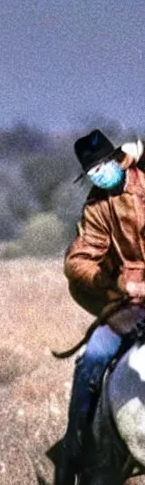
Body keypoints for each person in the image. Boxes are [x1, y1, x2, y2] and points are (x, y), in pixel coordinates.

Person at [55, 129, 145, 484]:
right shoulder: (98, 206)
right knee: (92, 358)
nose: (98, 174)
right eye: (91, 171)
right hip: (129, 304)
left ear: (118, 160)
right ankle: (72, 457)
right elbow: (78, 260)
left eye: (102, 166)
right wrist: (116, 283)